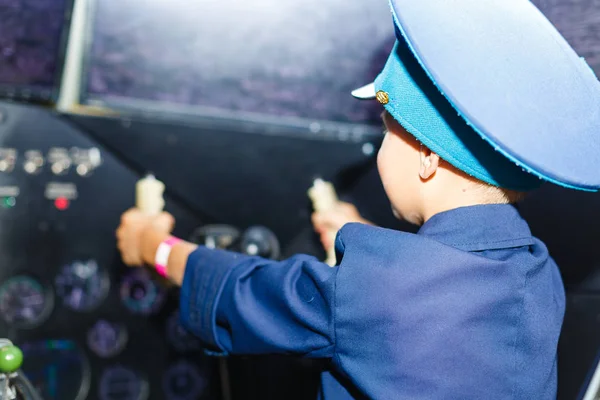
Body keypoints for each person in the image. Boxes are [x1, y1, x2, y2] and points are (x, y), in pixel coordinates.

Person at [116, 0, 600, 398]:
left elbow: (248, 293)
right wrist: (360, 244)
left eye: (386, 131)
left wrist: (154, 248)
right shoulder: (539, 274)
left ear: (427, 157)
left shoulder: (375, 287)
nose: (379, 149)